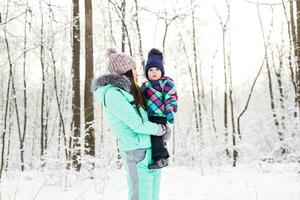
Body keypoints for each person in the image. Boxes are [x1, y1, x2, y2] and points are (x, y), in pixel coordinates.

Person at [92, 48, 168, 200]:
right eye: (133, 69)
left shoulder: (131, 92)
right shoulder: (113, 94)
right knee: (140, 196)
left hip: (150, 148)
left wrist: (164, 130)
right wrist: (158, 130)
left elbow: (146, 118)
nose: (137, 72)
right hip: (136, 151)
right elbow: (136, 124)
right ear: (125, 71)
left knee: (153, 196)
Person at [141, 48, 178, 169]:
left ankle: (161, 159)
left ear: (162, 71)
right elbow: (139, 98)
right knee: (153, 138)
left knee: (156, 135)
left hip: (160, 115)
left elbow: (170, 97)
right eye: (150, 70)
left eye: (157, 69)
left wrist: (170, 111)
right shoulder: (145, 86)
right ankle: (159, 152)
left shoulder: (166, 83)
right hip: (149, 116)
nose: (154, 72)